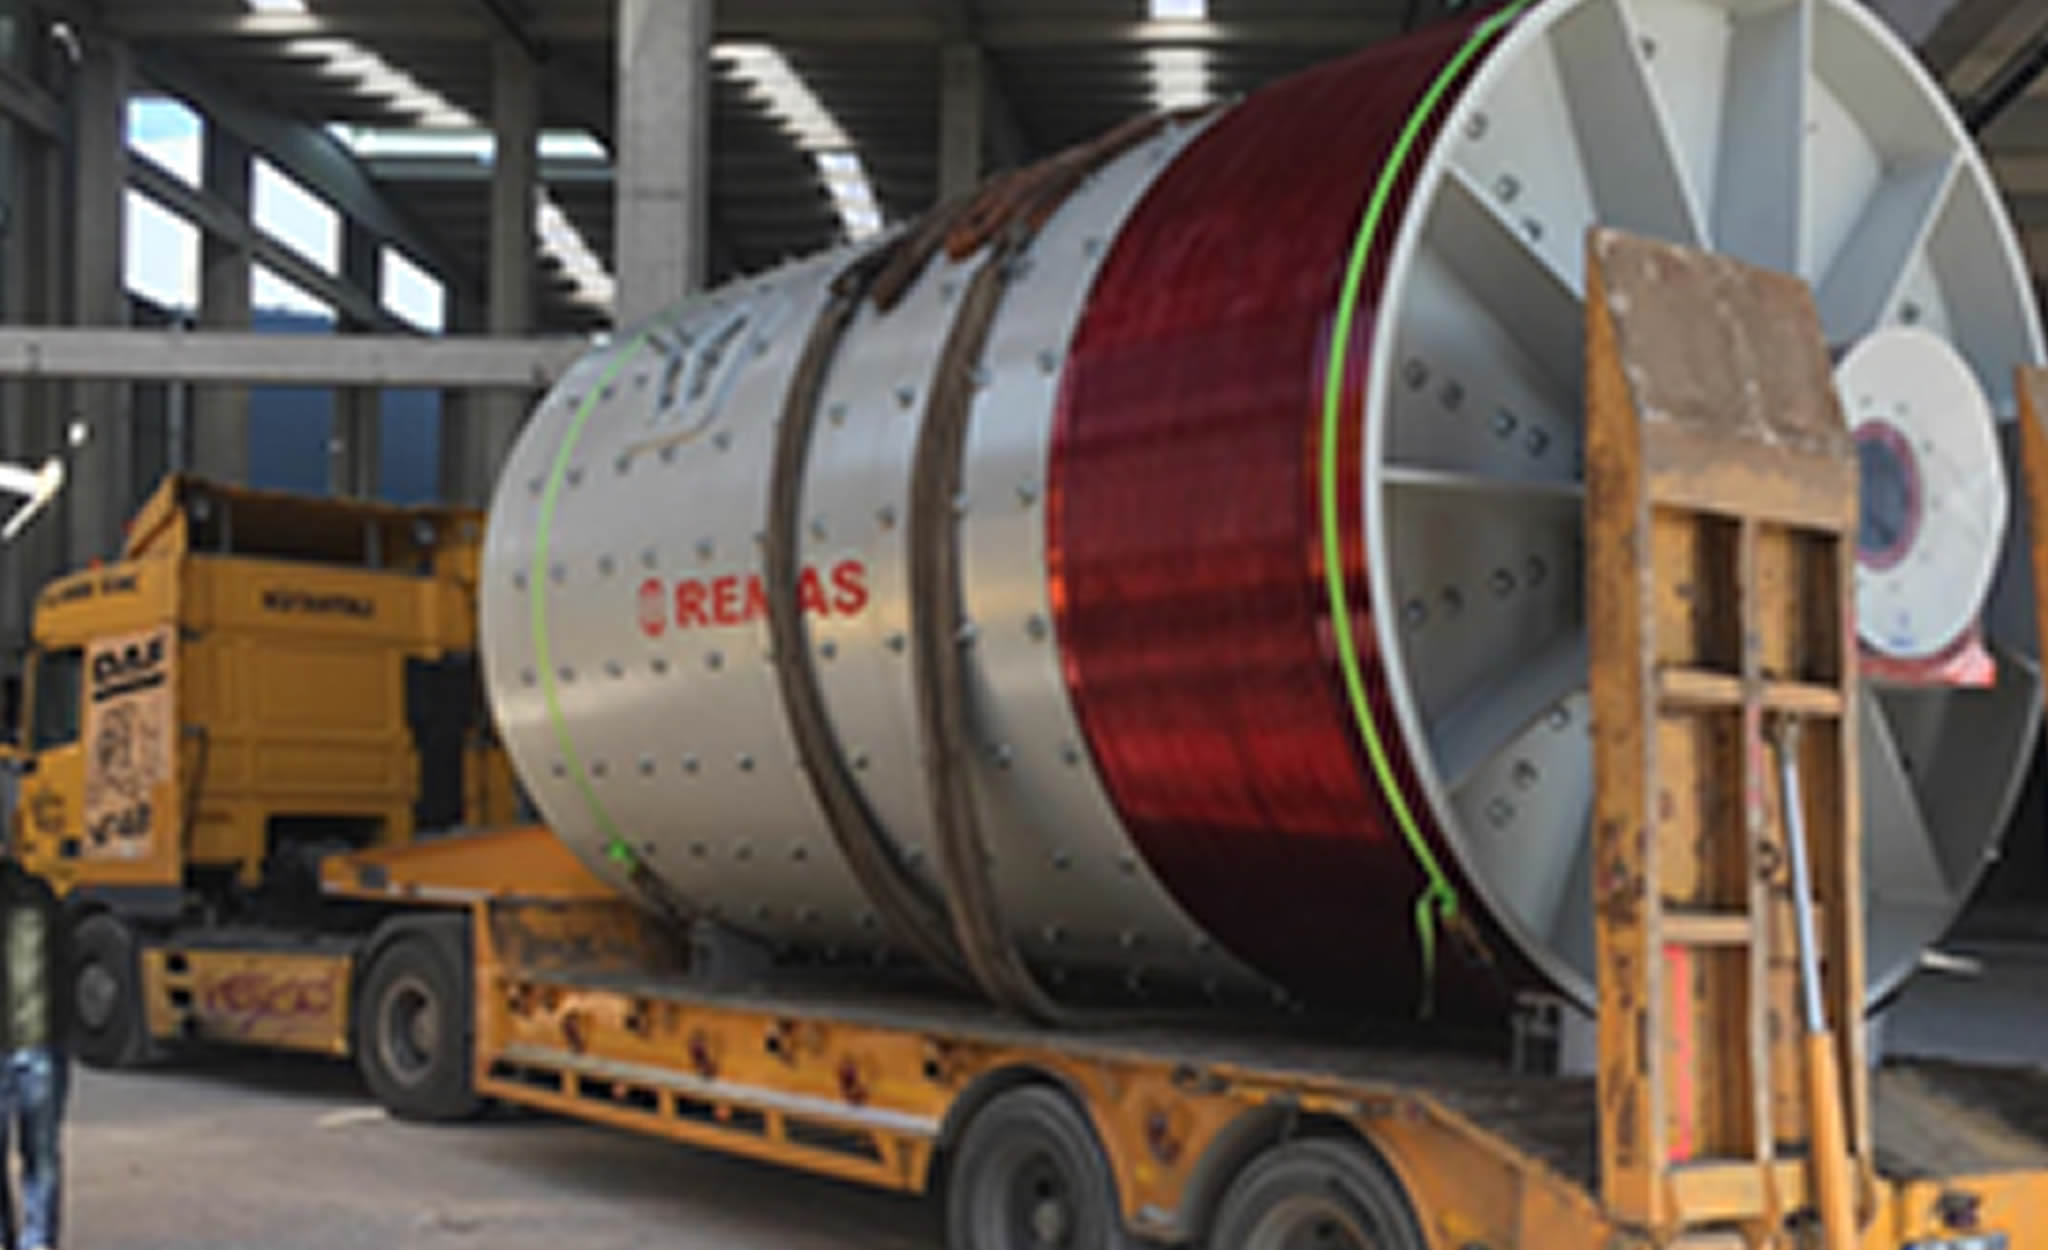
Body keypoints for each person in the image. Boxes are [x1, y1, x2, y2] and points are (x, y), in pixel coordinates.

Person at [0, 856, 67, 1250]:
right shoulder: (40, 897)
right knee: (41, 1157)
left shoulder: (38, 898)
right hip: (41, 1044)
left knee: (37, 1156)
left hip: (34, 1042)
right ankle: (37, 1241)